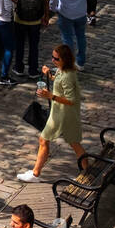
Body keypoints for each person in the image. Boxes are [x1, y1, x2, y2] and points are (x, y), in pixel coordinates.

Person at [17, 44, 87, 182]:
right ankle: (86, 172)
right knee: (75, 143)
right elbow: (60, 83)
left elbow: (71, 100)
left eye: (56, 58)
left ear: (64, 59)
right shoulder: (64, 70)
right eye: (52, 57)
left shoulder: (67, 75)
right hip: (66, 114)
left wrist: (50, 96)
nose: (53, 60)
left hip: (62, 115)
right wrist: (49, 74)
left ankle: (35, 173)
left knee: (44, 139)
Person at [9, 0, 45, 79]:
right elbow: (46, 0)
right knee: (34, 45)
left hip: (20, 19)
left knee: (19, 44)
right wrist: (46, 16)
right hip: (36, 20)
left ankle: (19, 68)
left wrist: (17, 2)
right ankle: (33, 70)